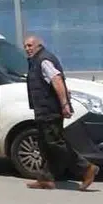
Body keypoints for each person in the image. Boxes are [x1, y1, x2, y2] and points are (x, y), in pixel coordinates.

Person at [23, 35, 98, 191]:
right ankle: (45, 178)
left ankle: (86, 168)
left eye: (30, 45)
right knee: (45, 144)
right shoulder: (35, 61)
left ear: (39, 46)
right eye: (25, 46)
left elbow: (57, 80)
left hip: (50, 109)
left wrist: (64, 104)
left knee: (55, 143)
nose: (27, 49)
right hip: (42, 109)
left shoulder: (44, 60)